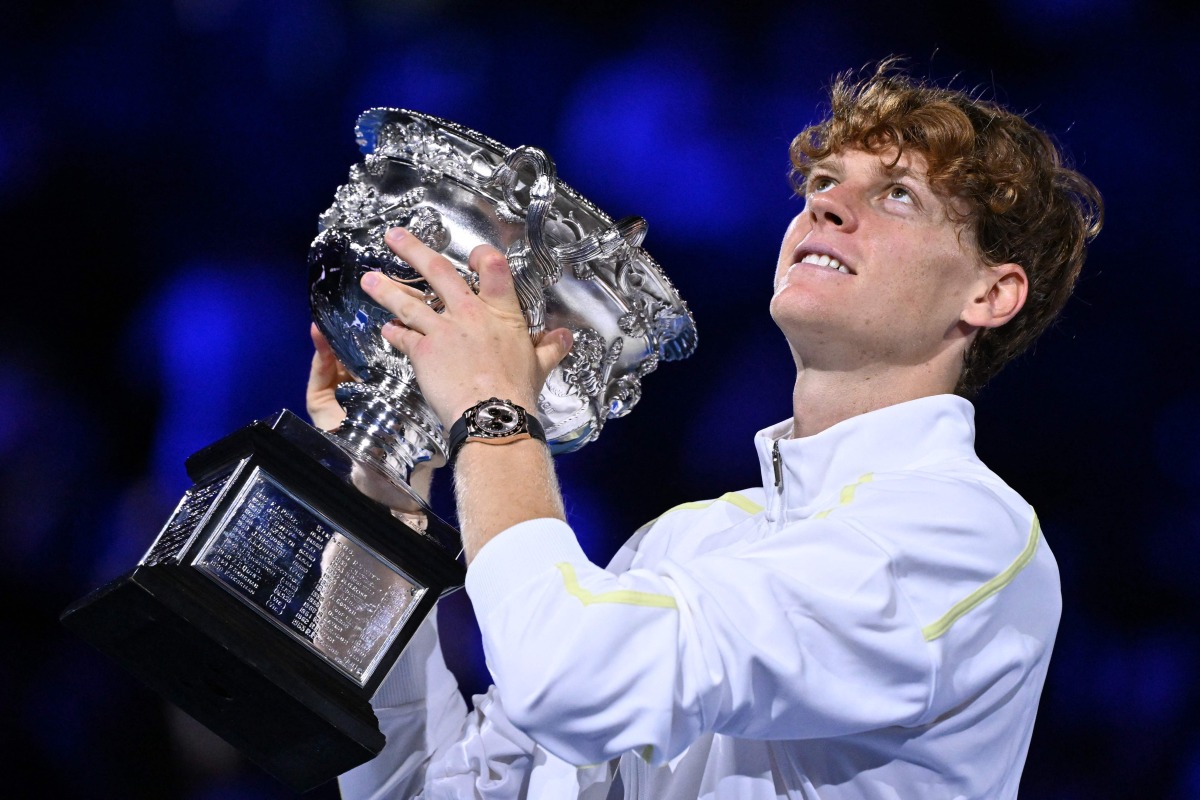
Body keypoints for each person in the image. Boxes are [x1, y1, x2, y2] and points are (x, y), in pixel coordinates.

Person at [308, 59, 1103, 799]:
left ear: (992, 295)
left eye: (897, 194)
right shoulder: (683, 545)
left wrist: (492, 412)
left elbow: (571, 681)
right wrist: (385, 486)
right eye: (825, 181)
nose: (825, 203)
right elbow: (413, 786)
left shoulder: (965, 537)